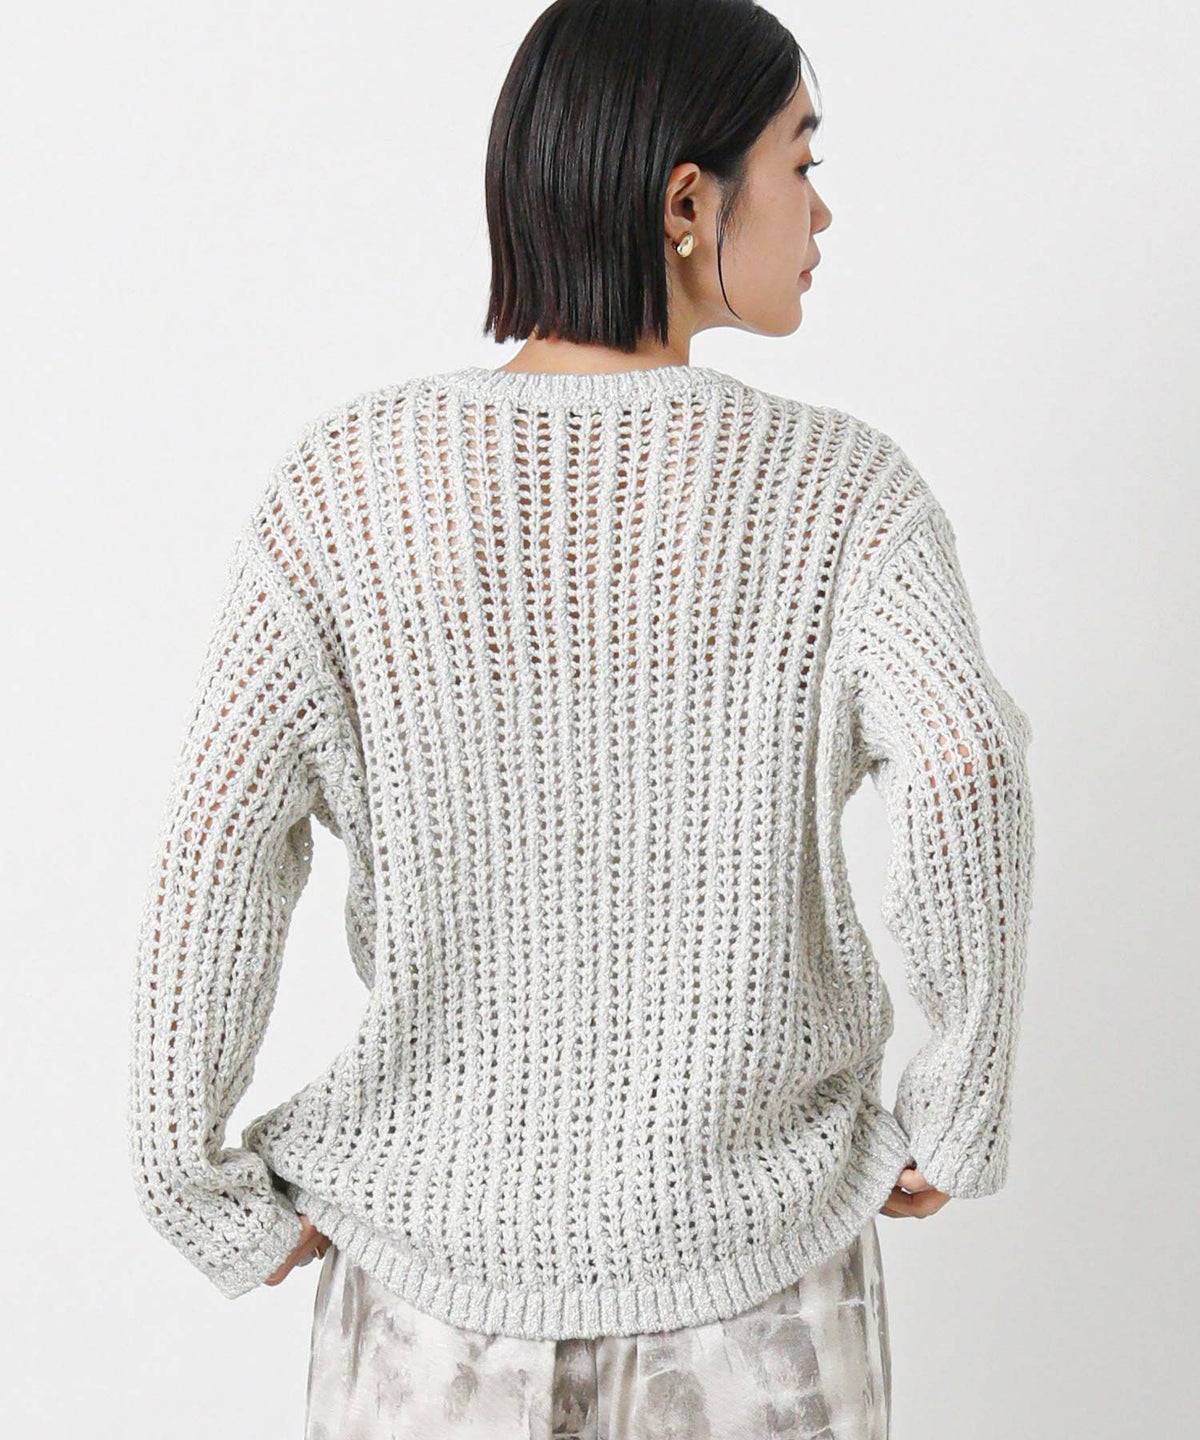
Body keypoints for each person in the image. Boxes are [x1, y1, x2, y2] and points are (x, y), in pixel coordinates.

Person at [125, 1, 1035, 1436]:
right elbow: (966, 761)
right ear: (687, 203)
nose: (823, 210)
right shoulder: (848, 495)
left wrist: (196, 1178)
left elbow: (217, 843)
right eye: (802, 162)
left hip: (431, 1301)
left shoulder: (345, 490)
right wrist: (957, 1102)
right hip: (760, 1284)